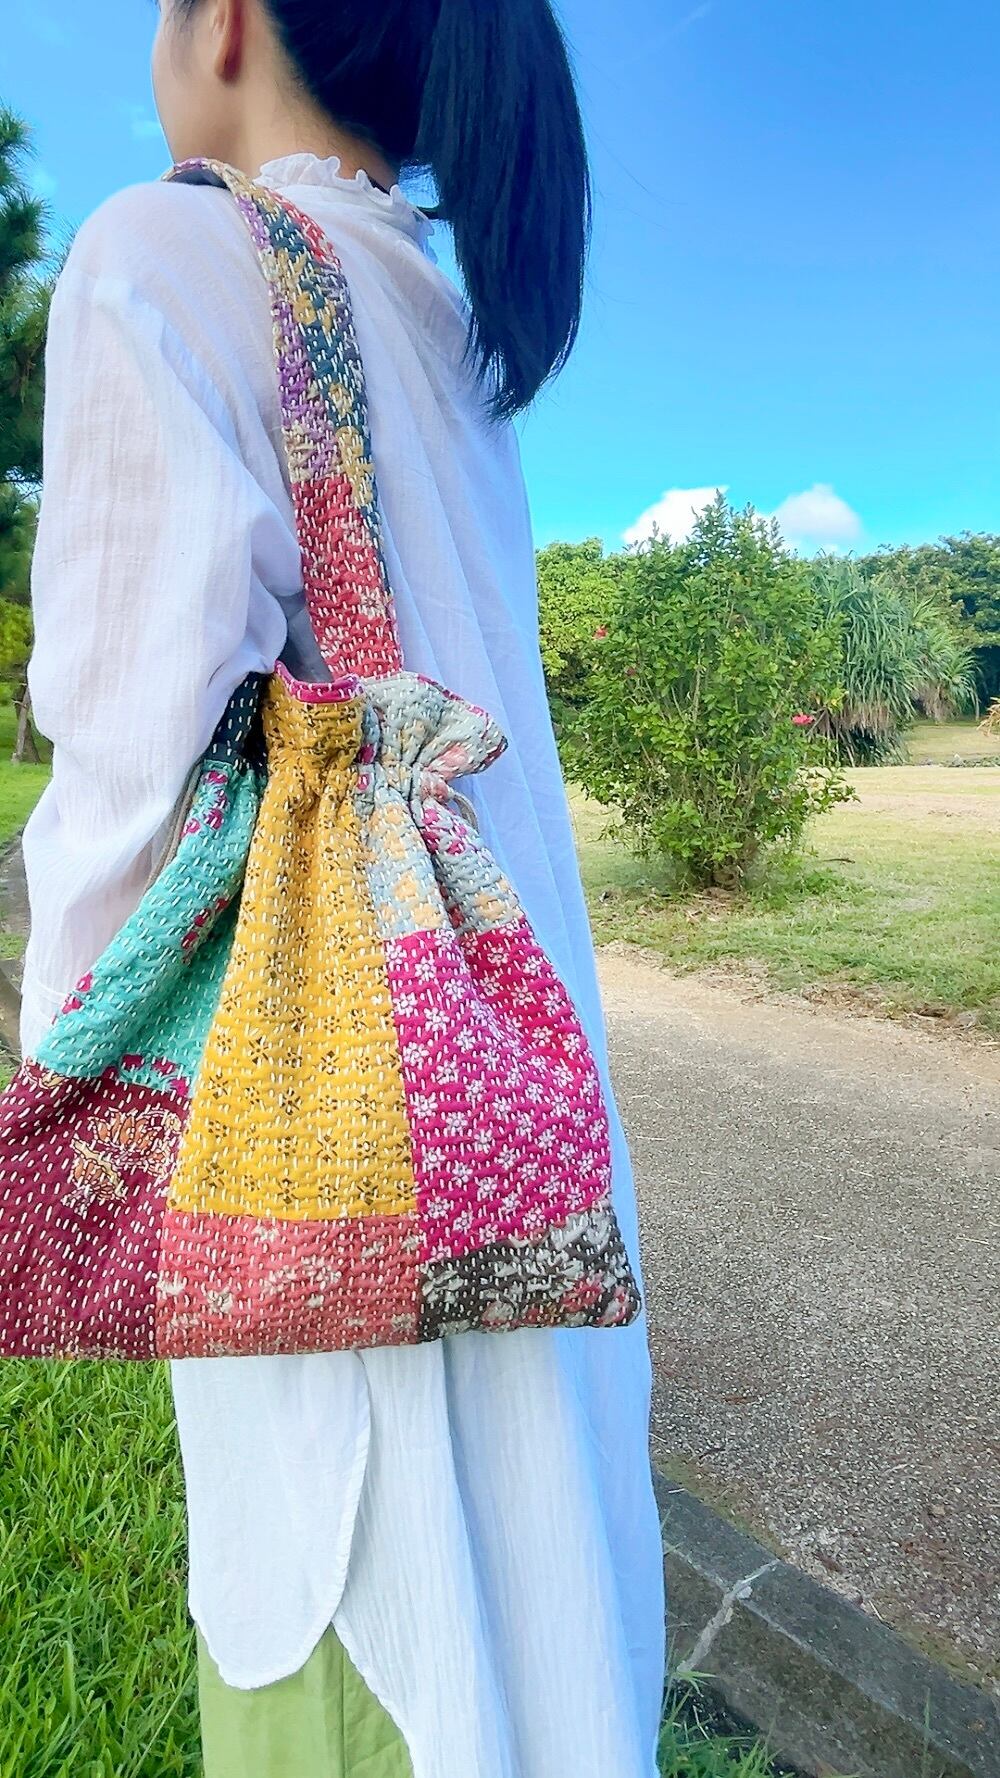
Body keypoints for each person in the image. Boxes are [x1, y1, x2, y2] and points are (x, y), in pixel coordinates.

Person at [20, 1, 666, 1772]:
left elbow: (131, 808)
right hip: (524, 1166)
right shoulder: (441, 322)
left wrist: (68, 1068)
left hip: (333, 1220)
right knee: (554, 1658)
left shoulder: (165, 256)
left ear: (227, 20)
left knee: (386, 1657)